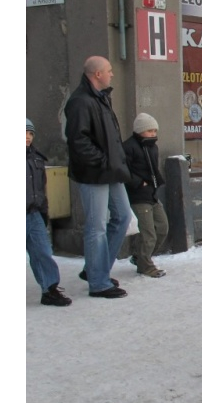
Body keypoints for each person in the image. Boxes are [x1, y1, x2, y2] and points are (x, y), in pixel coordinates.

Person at [64, 56, 131, 298]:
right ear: (98, 74)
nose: (112, 74)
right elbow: (77, 141)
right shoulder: (80, 102)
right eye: (109, 71)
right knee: (96, 227)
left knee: (123, 216)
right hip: (94, 174)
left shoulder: (101, 98)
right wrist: (102, 162)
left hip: (111, 171)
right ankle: (99, 282)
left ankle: (96, 269)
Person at [27, 118, 72, 307]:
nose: (28, 137)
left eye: (30, 134)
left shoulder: (36, 158)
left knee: (43, 252)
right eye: (23, 133)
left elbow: (41, 188)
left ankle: (50, 289)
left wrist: (44, 211)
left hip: (34, 213)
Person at [123, 113, 169, 278]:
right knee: (148, 233)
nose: (153, 134)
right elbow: (123, 170)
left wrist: (155, 184)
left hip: (152, 194)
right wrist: (138, 182)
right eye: (149, 130)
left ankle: (140, 257)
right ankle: (146, 266)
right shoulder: (128, 147)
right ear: (140, 130)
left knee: (162, 227)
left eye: (155, 131)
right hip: (138, 196)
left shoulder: (152, 147)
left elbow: (153, 170)